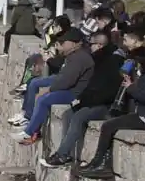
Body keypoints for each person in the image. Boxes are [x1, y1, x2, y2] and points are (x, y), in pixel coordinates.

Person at [78, 27, 145, 179]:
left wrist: (132, 87)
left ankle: (99, 164)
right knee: (111, 122)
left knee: (108, 126)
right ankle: (101, 164)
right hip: (140, 113)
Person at [40, 30, 124, 168]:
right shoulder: (96, 61)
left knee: (79, 116)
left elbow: (104, 92)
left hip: (105, 105)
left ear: (99, 45)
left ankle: (62, 155)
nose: (89, 47)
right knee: (68, 114)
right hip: (92, 100)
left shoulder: (110, 64)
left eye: (91, 44)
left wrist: (83, 101)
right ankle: (65, 152)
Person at [10, 27, 94, 144]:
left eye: (63, 43)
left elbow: (67, 81)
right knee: (35, 84)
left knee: (43, 99)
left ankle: (29, 133)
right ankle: (28, 118)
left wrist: (49, 90)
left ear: (75, 44)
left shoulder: (79, 58)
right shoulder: (73, 55)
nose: (61, 45)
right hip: (66, 84)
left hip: (74, 93)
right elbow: (63, 76)